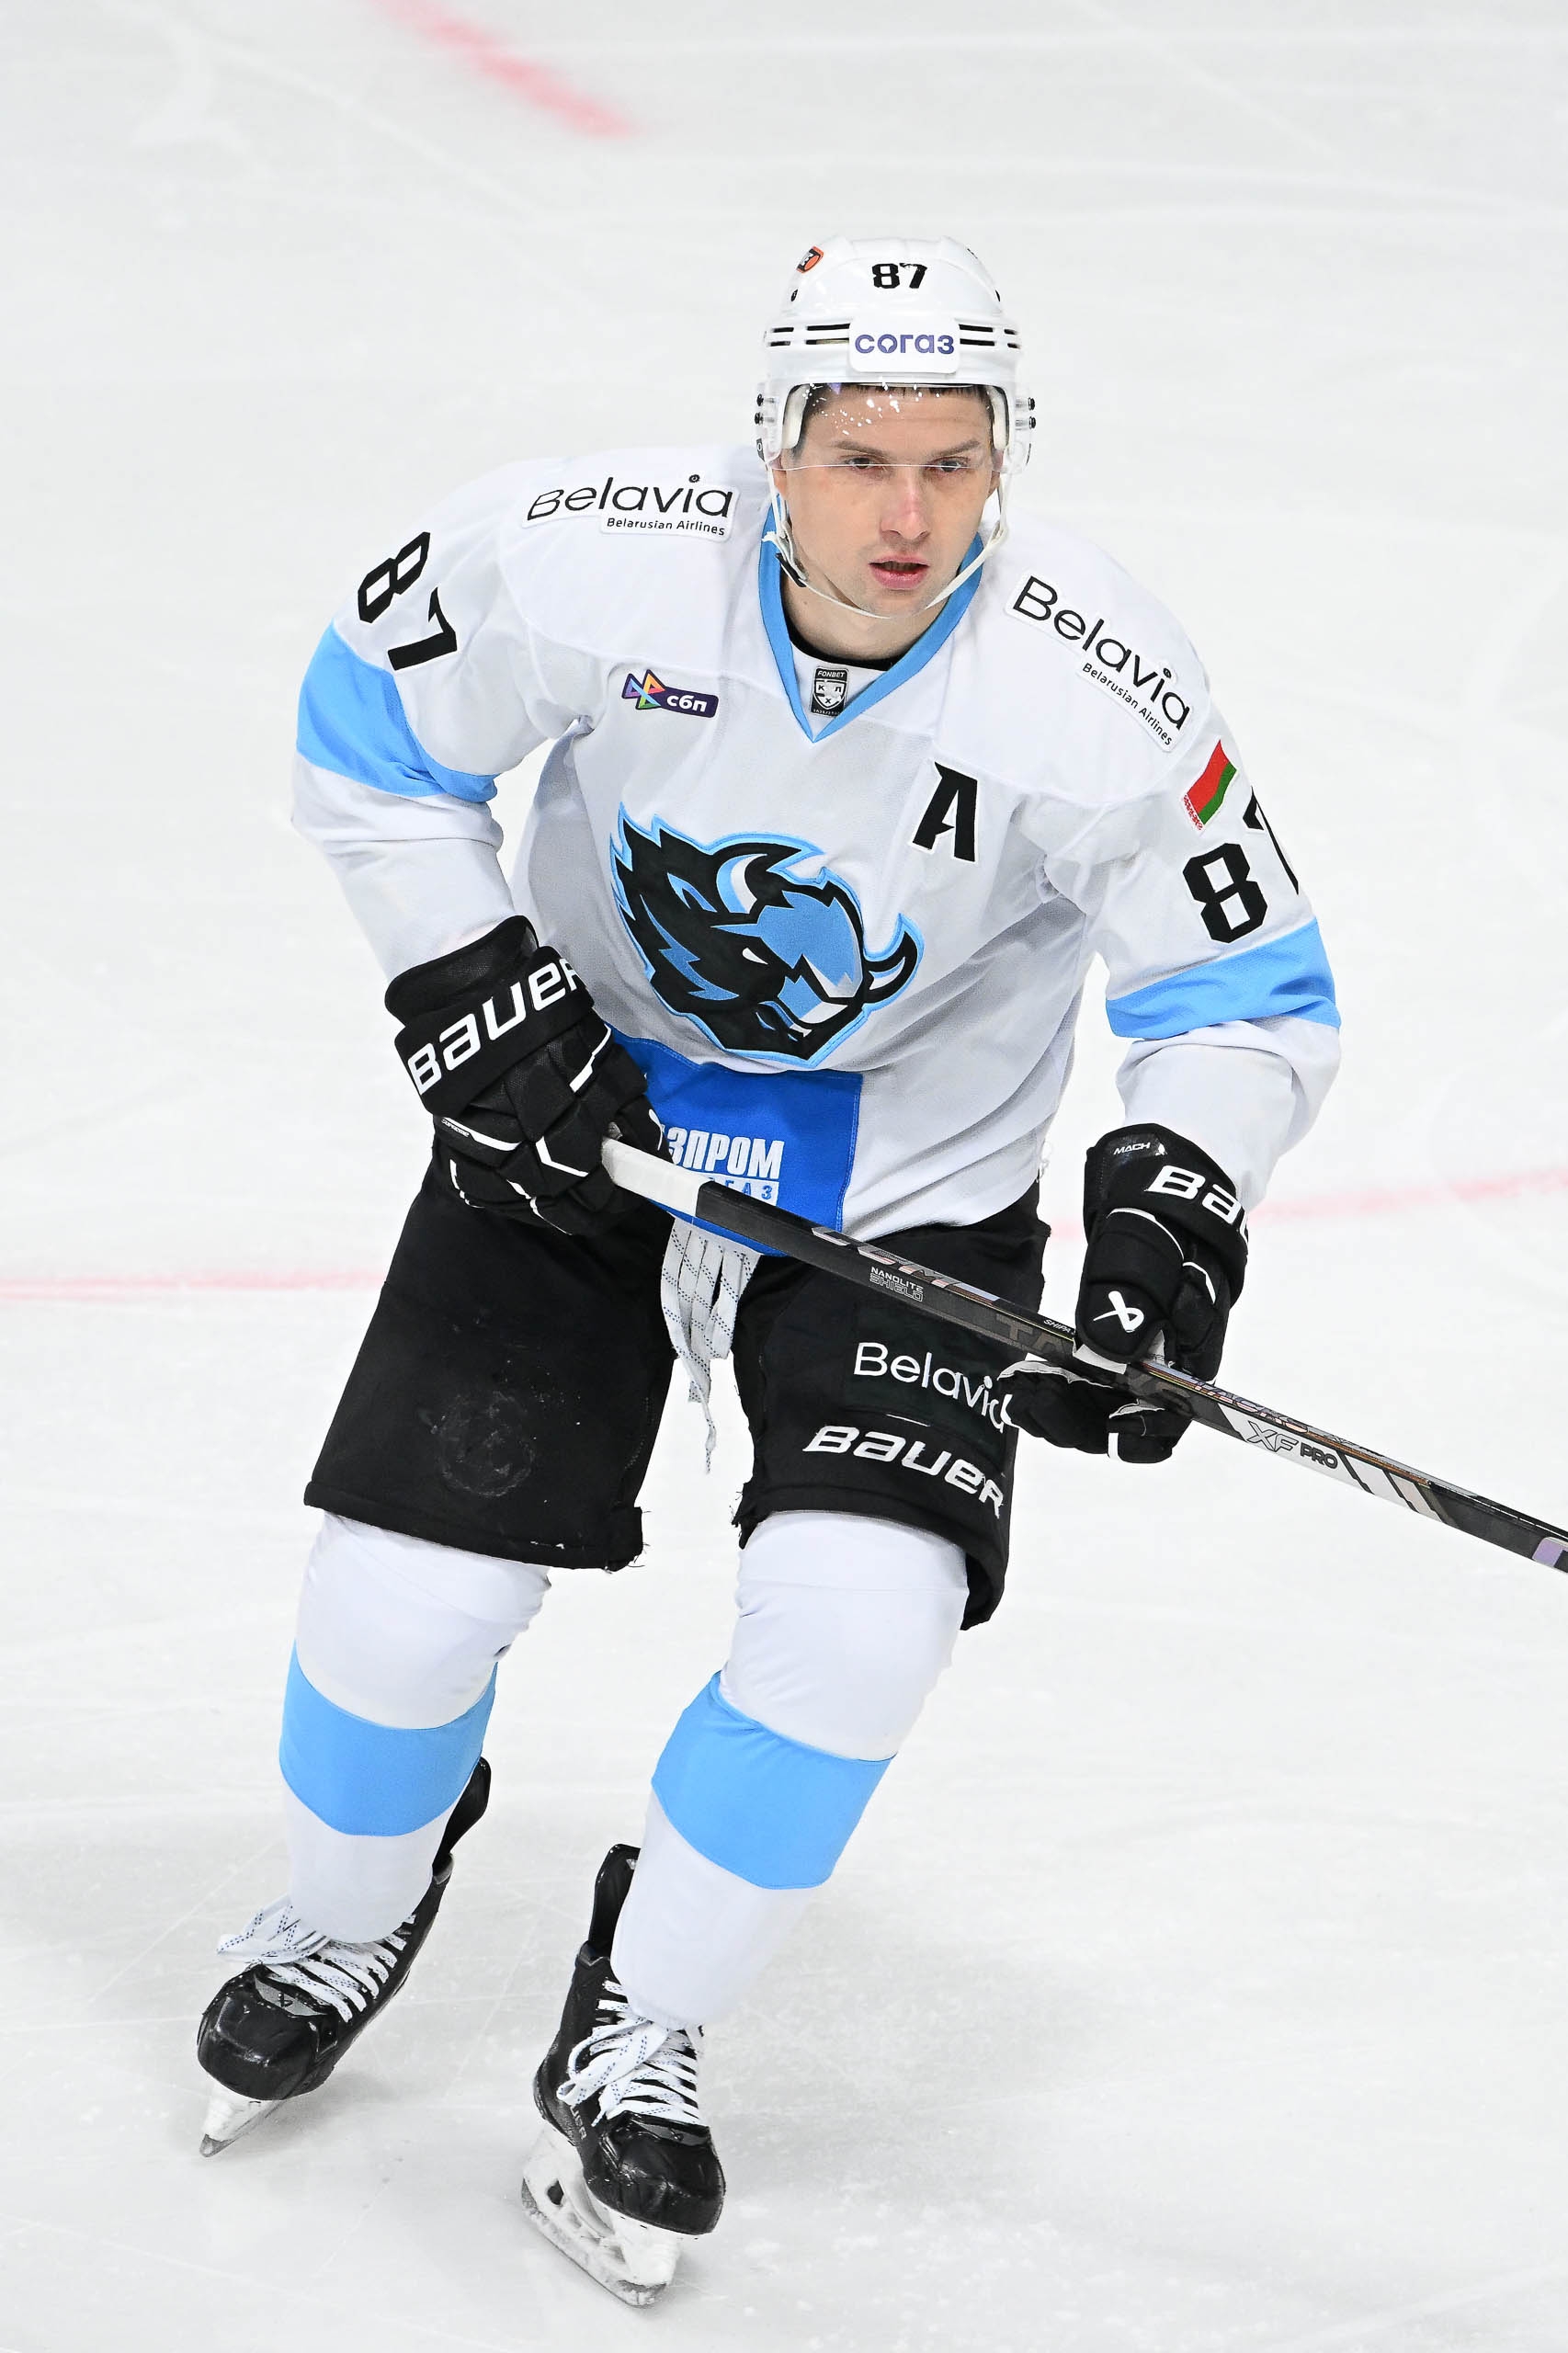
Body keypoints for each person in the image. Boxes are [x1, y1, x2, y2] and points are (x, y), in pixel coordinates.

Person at [195, 236, 1338, 2303]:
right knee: (399, 1604)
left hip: (909, 1193)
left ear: (1004, 460)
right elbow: (365, 719)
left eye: (954, 463)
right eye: (861, 458)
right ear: (774, 449)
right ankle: (341, 1907)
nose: (909, 515)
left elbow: (1244, 990)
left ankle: (642, 2017)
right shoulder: (592, 557)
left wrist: (1175, 1196)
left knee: (862, 1627)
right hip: (578, 1135)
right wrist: (468, 979)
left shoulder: (1090, 682)